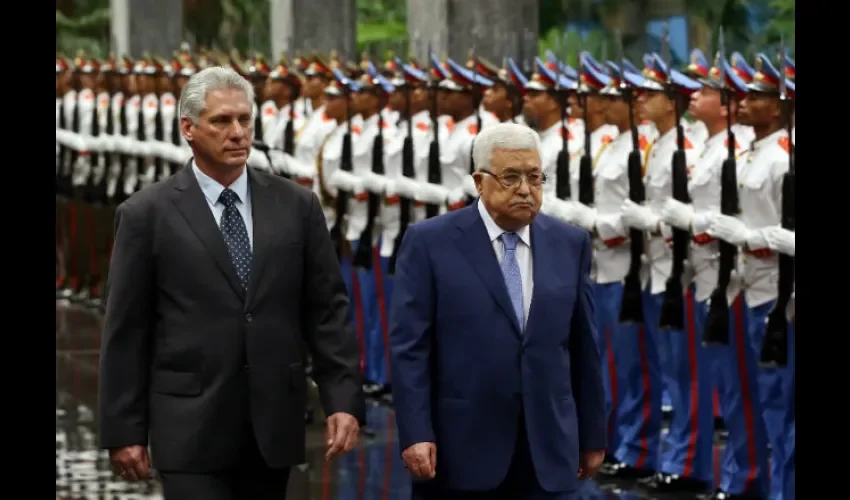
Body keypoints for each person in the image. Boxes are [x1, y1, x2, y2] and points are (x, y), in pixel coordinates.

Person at [98, 66, 365, 499]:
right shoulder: (146, 214)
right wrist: (123, 429)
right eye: (222, 121)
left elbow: (327, 312)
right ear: (188, 128)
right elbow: (126, 329)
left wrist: (343, 399)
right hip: (189, 429)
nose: (238, 132)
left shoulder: (295, 205)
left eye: (245, 120)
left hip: (272, 428)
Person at [389, 122, 606, 499]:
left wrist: (592, 435)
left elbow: (584, 348)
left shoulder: (570, 243)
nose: (525, 189)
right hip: (461, 451)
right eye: (511, 177)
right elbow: (410, 348)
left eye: (535, 177)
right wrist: (416, 432)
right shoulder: (430, 242)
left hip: (547, 451)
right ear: (479, 181)